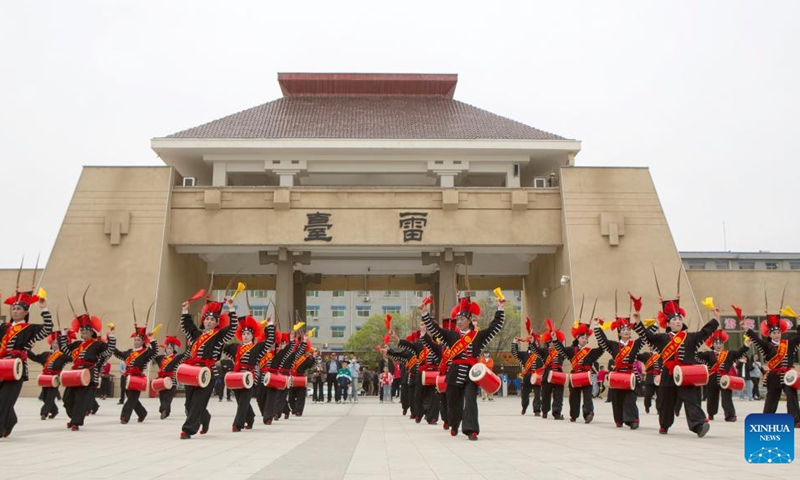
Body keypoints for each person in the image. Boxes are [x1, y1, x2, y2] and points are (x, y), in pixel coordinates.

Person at [421, 294, 505, 441]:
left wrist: (500, 307)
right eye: (457, 319)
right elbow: (434, 329)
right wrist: (424, 313)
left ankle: (471, 429)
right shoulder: (451, 335)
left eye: (462, 319)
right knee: (453, 403)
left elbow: (495, 327)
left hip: (471, 374)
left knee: (471, 400)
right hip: (453, 373)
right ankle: (454, 425)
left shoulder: (478, 336)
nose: (458, 322)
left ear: (469, 320)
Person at [635, 298, 718, 437]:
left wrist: (715, 318)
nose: (678, 321)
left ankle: (699, 425)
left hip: (686, 375)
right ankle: (664, 425)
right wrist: (638, 322)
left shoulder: (690, 337)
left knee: (691, 399)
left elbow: (705, 332)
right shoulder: (662, 338)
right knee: (666, 403)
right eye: (674, 320)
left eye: (679, 318)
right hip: (668, 375)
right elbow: (647, 337)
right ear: (668, 323)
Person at [178, 296, 238, 439]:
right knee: (189, 405)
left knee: (198, 401)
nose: (209, 321)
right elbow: (187, 326)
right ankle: (205, 419)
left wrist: (231, 309)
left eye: (212, 320)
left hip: (208, 372)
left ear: (217, 322)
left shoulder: (219, 336)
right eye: (207, 319)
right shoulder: (196, 335)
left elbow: (232, 328)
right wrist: (185, 311)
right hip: (192, 371)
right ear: (203, 321)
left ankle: (188, 430)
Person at [0, 289, 52, 438]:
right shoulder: (4, 328)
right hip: (1, 365)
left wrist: (44, 309)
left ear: (25, 312)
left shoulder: (31, 328)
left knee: (5, 399)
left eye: (18, 309)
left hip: (17, 367)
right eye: (13, 309)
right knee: (3, 400)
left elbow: (47, 328)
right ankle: (11, 420)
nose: (15, 311)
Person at [594, 299, 646, 430]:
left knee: (630, 398)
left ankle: (633, 419)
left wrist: (642, 322)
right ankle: (619, 419)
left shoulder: (635, 344)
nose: (627, 331)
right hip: (617, 375)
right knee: (617, 398)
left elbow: (646, 337)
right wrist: (597, 326)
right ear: (619, 332)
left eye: (629, 329)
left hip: (630, 374)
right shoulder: (613, 345)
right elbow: (602, 341)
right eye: (624, 329)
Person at [742, 309, 800, 427]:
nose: (777, 334)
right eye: (774, 333)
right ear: (769, 334)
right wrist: (746, 328)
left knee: (792, 396)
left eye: (778, 332)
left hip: (788, 375)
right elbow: (756, 339)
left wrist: (799, 321)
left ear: (781, 332)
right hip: (773, 376)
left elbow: (799, 337)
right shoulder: (766, 346)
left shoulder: (789, 344)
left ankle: (795, 420)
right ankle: (767, 420)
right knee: (771, 399)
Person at [59, 308, 114, 431]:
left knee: (81, 399)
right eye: (81, 330)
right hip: (75, 373)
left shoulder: (97, 344)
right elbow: (64, 349)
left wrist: (111, 337)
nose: (83, 333)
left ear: (91, 332)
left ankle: (76, 422)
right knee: (67, 398)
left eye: (85, 331)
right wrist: (63, 334)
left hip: (88, 373)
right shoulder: (77, 344)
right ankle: (73, 417)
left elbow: (109, 351)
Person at [223, 314, 274, 431]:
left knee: (244, 401)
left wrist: (270, 324)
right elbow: (222, 345)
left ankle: (237, 424)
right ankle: (250, 418)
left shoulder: (256, 348)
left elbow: (270, 340)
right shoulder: (235, 347)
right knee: (240, 401)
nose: (245, 336)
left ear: (252, 336)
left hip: (250, 378)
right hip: (236, 378)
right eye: (244, 334)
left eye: (248, 334)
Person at [554, 320, 603, 423]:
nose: (584, 340)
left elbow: (601, 349)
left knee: (587, 396)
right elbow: (561, 349)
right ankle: (574, 415)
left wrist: (599, 336)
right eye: (582, 338)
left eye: (586, 338)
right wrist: (555, 340)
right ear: (577, 338)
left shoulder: (590, 351)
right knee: (574, 397)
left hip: (586, 376)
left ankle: (588, 413)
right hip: (575, 376)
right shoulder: (572, 350)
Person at [696, 328, 749, 422]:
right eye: (716, 343)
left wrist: (746, 345)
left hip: (725, 379)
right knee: (712, 398)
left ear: (723, 344)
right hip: (712, 379)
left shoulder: (729, 354)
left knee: (727, 398)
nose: (718, 345)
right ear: (712, 344)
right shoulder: (708, 354)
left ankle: (730, 415)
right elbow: (697, 356)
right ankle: (711, 413)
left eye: (720, 343)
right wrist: (695, 344)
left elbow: (739, 353)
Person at [110, 323, 157, 424]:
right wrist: (111, 337)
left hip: (137, 378)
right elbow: (118, 353)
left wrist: (152, 339)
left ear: (143, 342)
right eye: (135, 339)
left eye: (138, 340)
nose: (136, 341)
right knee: (132, 398)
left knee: (131, 399)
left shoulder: (145, 352)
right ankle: (142, 413)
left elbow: (155, 352)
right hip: (127, 378)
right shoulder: (129, 352)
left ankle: (124, 417)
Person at [28, 330, 72, 421]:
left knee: (50, 396)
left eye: (57, 343)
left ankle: (44, 413)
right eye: (54, 342)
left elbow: (72, 358)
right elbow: (35, 358)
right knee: (44, 396)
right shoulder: (46, 354)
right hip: (45, 377)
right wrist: (28, 350)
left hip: (55, 378)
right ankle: (54, 410)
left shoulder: (63, 356)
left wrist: (67, 346)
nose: (55, 344)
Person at [511, 321, 543, 416]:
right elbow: (515, 353)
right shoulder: (525, 354)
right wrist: (514, 343)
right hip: (527, 376)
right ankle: (524, 407)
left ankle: (537, 410)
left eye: (537, 343)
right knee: (525, 394)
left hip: (537, 376)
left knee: (537, 394)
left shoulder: (541, 354)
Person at [533, 328, 565, 420]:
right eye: (550, 342)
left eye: (554, 341)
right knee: (546, 394)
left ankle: (557, 413)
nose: (552, 343)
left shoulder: (561, 351)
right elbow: (536, 350)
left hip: (559, 375)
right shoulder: (544, 351)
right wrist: (532, 342)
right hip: (547, 375)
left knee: (558, 395)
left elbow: (573, 347)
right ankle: (545, 411)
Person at [153, 335, 185, 419]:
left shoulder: (177, 358)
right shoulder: (161, 358)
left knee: (167, 398)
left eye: (171, 348)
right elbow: (153, 353)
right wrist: (152, 341)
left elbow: (185, 354)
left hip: (171, 381)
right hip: (161, 381)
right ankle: (166, 411)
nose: (169, 350)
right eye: (167, 348)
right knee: (162, 397)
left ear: (174, 349)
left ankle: (164, 411)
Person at [287, 343, 315, 416]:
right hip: (292, 378)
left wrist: (313, 358)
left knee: (301, 396)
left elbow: (311, 366)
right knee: (291, 397)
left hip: (301, 378)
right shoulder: (291, 357)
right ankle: (294, 409)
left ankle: (298, 411)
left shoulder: (305, 358)